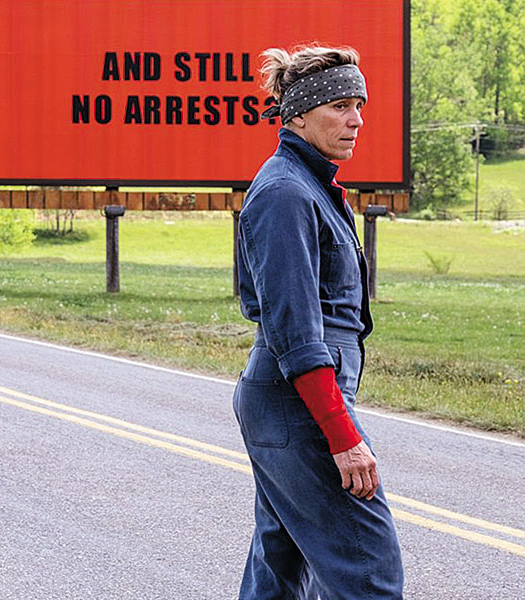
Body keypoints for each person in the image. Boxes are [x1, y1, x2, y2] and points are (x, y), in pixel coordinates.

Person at [232, 45, 405, 599]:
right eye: (339, 106)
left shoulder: (308, 185)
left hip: (291, 402)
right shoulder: (285, 193)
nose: (356, 120)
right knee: (367, 571)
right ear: (299, 114)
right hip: (298, 402)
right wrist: (342, 435)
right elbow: (297, 334)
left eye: (360, 105)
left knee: (280, 567)